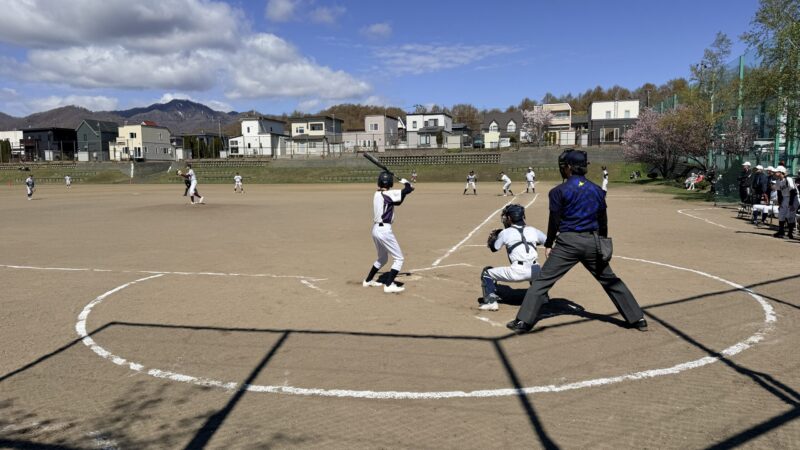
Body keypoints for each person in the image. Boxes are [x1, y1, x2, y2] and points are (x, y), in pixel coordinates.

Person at [506, 149, 648, 334]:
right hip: (592, 241)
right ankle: (637, 318)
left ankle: (523, 322)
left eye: (564, 165)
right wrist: (603, 242)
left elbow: (554, 221)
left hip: (567, 243)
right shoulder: (597, 190)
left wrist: (548, 244)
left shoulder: (559, 191)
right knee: (610, 280)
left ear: (569, 167)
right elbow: (602, 220)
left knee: (542, 281)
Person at [478, 204, 547, 311]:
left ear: (509, 218)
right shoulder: (533, 230)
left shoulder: (505, 233)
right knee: (535, 268)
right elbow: (547, 242)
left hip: (517, 272)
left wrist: (492, 241)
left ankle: (491, 302)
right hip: (536, 272)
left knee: (487, 272)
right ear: (523, 216)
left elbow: (494, 248)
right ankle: (542, 297)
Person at [362, 172, 415, 293]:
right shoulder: (388, 194)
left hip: (376, 230)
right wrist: (407, 183)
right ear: (390, 183)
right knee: (399, 259)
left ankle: (368, 281)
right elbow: (406, 191)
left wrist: (407, 188)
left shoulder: (377, 194)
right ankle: (389, 285)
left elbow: (398, 201)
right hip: (384, 230)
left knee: (382, 258)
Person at [772, 166, 798, 239]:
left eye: (776, 172)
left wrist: (791, 204)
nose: (775, 173)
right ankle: (781, 231)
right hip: (785, 198)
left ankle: (790, 233)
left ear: (781, 172)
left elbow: (793, 192)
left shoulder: (788, 179)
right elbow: (779, 193)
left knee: (790, 216)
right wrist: (780, 203)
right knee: (781, 214)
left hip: (794, 198)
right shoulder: (778, 181)